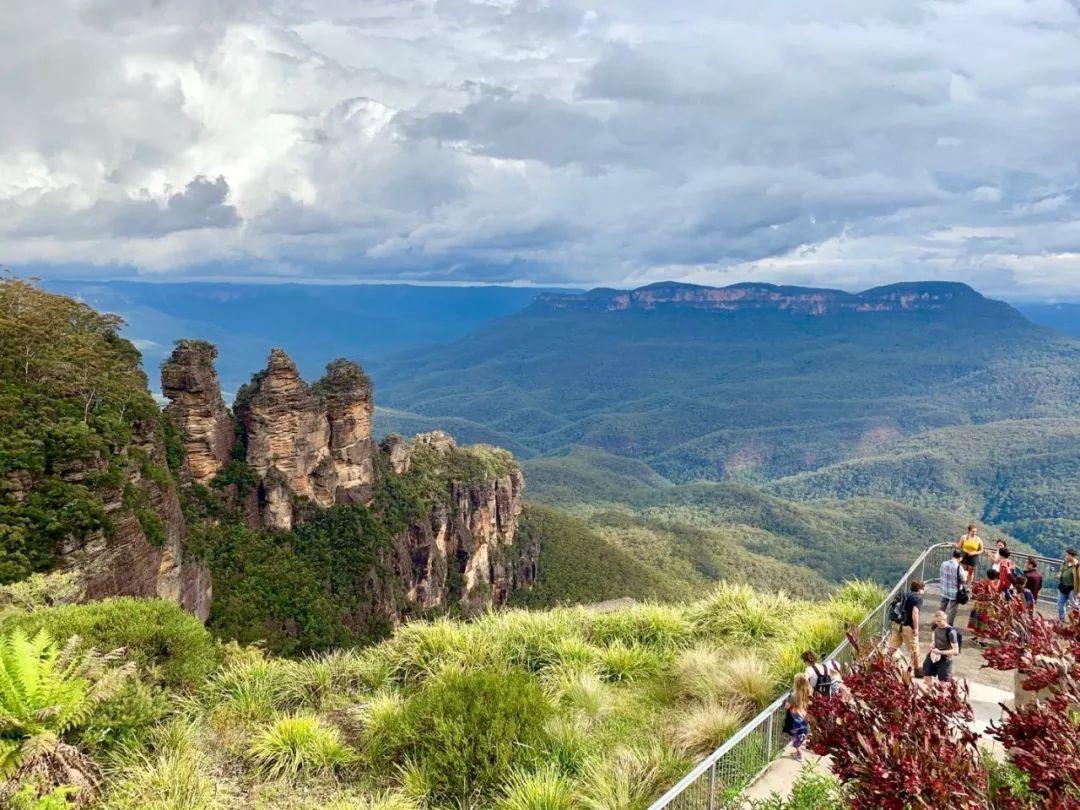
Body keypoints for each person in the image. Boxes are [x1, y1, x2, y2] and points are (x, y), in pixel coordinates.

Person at [888, 580, 924, 676]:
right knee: (914, 649)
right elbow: (915, 613)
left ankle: (884, 663)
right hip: (907, 626)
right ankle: (918, 670)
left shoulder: (905, 594)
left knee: (893, 646)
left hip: (897, 624)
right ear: (920, 589)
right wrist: (916, 628)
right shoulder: (918, 598)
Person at [921, 610, 961, 682]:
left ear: (944, 619)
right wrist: (933, 643)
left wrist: (940, 652)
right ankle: (929, 691)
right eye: (936, 621)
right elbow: (935, 636)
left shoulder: (951, 632)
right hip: (933, 655)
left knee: (943, 682)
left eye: (939, 621)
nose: (937, 623)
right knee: (926, 674)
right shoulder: (935, 626)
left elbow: (956, 651)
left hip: (945, 658)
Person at [784, 673, 812, 761]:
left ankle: (800, 754)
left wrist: (786, 702)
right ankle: (799, 750)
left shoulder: (793, 695)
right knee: (802, 733)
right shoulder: (808, 692)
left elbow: (787, 706)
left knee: (795, 737)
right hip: (804, 717)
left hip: (794, 718)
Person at [939, 549, 965, 626]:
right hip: (954, 592)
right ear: (960, 558)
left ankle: (938, 622)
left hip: (944, 589)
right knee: (952, 610)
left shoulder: (943, 563)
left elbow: (941, 574)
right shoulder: (958, 567)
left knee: (942, 607)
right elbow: (963, 579)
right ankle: (948, 626)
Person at [1057, 548, 1079, 621]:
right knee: (1060, 603)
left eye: (1067, 555)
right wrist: (1059, 574)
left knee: (1073, 605)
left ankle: (1075, 620)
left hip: (1072, 588)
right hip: (1063, 586)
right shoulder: (1064, 563)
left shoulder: (1077, 565)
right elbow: (1061, 570)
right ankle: (1062, 618)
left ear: (1071, 556)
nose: (1065, 556)